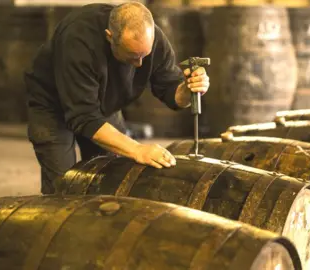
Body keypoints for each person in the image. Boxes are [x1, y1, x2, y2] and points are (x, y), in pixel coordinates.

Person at [24, 2, 210, 194]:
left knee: (111, 180)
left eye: (144, 56)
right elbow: (83, 117)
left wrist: (188, 90)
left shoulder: (154, 41)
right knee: (63, 186)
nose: (139, 64)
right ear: (109, 37)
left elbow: (172, 93)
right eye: (132, 55)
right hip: (53, 105)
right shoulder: (78, 40)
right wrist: (138, 149)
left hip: (103, 106)